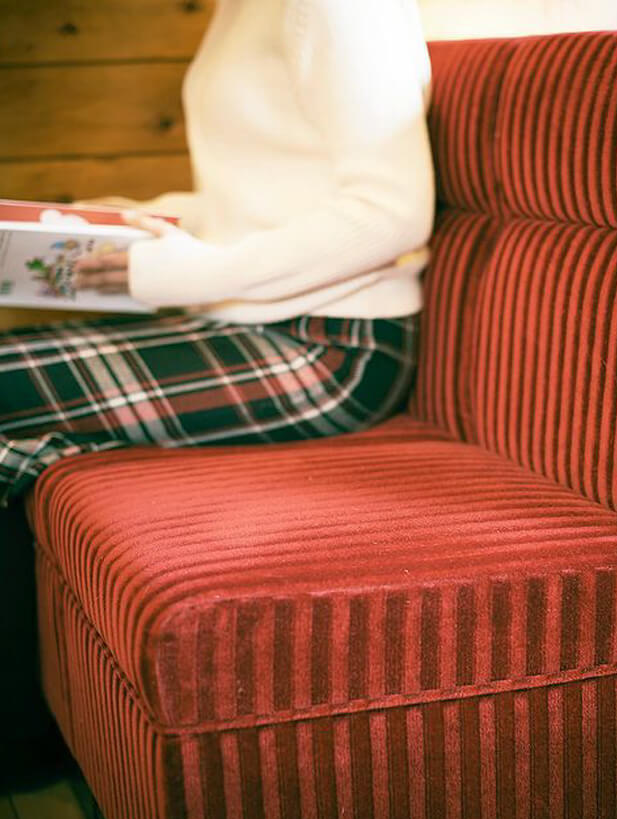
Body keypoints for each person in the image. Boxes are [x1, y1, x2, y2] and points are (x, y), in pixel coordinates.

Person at [0, 0, 435, 507]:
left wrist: (189, 274)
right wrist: (129, 221)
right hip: (244, 320)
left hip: (334, 343)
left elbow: (392, 212)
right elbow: (266, 193)